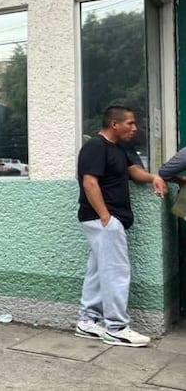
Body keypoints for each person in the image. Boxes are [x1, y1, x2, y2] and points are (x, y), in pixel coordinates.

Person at [74, 105, 166, 347]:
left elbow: (133, 171)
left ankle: (87, 321)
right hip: (103, 219)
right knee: (116, 272)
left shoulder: (119, 149)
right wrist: (106, 217)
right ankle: (116, 327)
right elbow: (89, 183)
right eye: (130, 123)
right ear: (114, 124)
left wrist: (154, 177)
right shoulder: (95, 146)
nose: (134, 128)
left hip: (108, 220)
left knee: (97, 270)